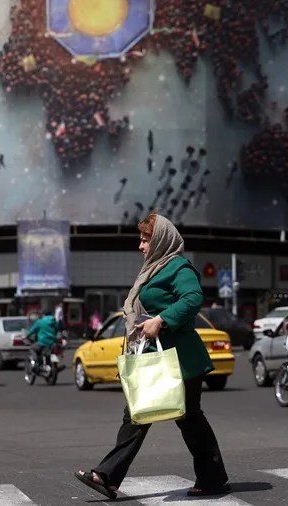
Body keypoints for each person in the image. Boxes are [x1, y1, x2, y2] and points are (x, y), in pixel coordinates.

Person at [75, 213, 229, 500]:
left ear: (161, 240)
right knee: (149, 414)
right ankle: (211, 477)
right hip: (161, 358)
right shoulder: (155, 269)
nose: (141, 246)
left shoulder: (178, 266)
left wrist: (162, 319)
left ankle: (108, 476)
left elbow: (193, 298)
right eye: (142, 239)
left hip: (179, 360)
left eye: (146, 239)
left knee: (174, 417)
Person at [25, 307, 59, 372]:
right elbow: (57, 330)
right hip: (52, 342)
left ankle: (36, 362)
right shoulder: (54, 321)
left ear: (43, 314)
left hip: (43, 342)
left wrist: (26, 336)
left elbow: (32, 330)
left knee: (32, 348)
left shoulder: (40, 322)